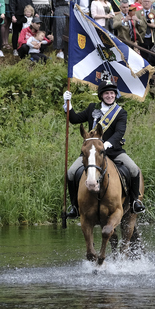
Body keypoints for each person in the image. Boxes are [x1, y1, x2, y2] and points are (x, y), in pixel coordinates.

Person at [63, 81, 145, 217]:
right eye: (106, 93)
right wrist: (68, 104)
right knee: (71, 172)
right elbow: (74, 119)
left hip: (113, 151)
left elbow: (119, 132)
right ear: (101, 95)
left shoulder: (120, 113)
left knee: (134, 169)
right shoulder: (92, 108)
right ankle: (75, 207)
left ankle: (135, 201)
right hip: (92, 154)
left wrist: (107, 144)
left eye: (112, 93)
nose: (110, 96)